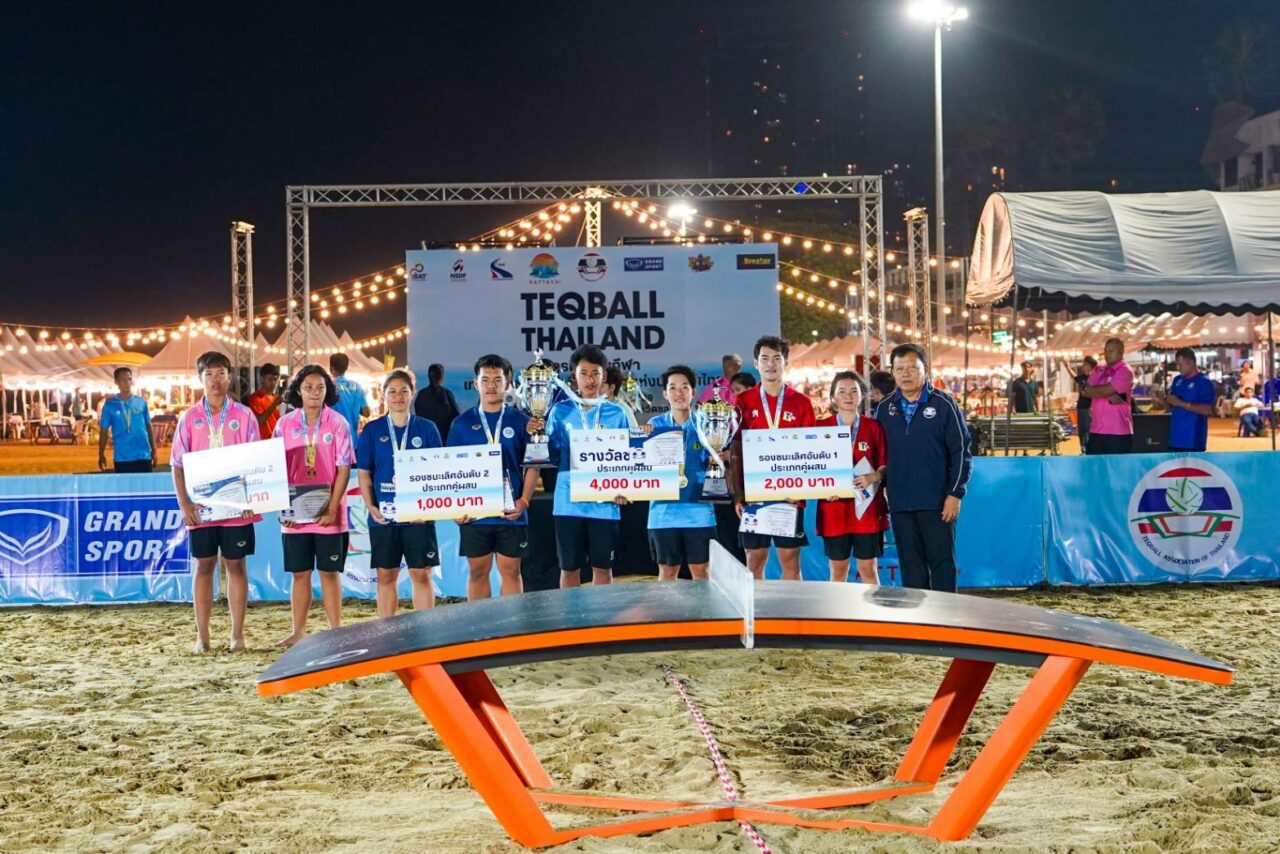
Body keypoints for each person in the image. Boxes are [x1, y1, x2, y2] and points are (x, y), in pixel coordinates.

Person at [170, 351, 261, 653]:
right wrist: (185, 504)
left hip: (236, 507)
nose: (215, 380)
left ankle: (237, 636)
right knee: (204, 565)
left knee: (236, 565)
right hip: (203, 507)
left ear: (230, 377)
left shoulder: (244, 416)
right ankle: (203, 637)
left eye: (221, 373)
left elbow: (256, 461)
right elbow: (176, 465)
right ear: (200, 378)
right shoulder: (189, 418)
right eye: (209, 374)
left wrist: (252, 499)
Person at [876, 343, 972, 593]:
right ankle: (917, 615)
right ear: (893, 372)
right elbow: (879, 456)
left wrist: (955, 494)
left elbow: (961, 451)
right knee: (911, 567)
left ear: (925, 369)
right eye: (899, 369)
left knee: (942, 563)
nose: (905, 374)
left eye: (912, 368)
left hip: (937, 502)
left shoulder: (944, 403)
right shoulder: (884, 408)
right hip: (900, 503)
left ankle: (945, 615)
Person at [274, 365, 355, 648]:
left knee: (329, 573)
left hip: (328, 513)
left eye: (320, 387)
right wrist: (282, 507)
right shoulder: (284, 424)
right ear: (298, 390)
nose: (314, 392)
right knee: (300, 574)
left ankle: (335, 631)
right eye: (308, 387)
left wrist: (332, 508)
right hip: (295, 513)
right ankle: (297, 632)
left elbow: (344, 468)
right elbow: (275, 468)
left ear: (327, 391)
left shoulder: (338, 423)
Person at [447, 355, 540, 599]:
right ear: (475, 384)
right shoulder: (461, 424)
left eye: (497, 380)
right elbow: (451, 470)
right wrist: (455, 508)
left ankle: (511, 622)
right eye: (485, 379)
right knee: (478, 572)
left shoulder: (522, 422)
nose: (491, 385)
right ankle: (480, 623)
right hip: (475, 512)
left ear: (507, 384)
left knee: (511, 572)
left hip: (511, 512)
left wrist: (524, 501)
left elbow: (533, 466)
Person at [730, 335, 817, 581]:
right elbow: (736, 448)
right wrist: (739, 493)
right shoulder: (743, 401)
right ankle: (756, 607)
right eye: (765, 358)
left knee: (790, 562)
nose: (771, 364)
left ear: (785, 362)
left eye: (777, 358)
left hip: (790, 494)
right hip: (755, 494)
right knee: (754, 561)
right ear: (756, 363)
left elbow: (811, 449)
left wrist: (802, 491)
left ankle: (789, 608)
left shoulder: (801, 402)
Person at [356, 369, 442, 617]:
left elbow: (438, 471)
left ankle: (426, 627)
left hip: (419, 515)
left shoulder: (427, 428)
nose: (398, 396)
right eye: (392, 391)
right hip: (384, 515)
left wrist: (428, 508)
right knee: (385, 574)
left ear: (412, 394)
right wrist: (371, 507)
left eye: (404, 391)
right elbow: (364, 473)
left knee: (421, 573)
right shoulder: (372, 430)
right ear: (383, 396)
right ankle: (387, 631)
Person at [545, 344, 631, 588]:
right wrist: (538, 438)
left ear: (604, 376)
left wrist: (625, 488)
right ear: (574, 376)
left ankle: (601, 614)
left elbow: (626, 458)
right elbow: (551, 455)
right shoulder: (559, 411)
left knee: (603, 568)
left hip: (605, 504)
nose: (590, 380)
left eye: (595, 373)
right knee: (569, 568)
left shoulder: (617, 414)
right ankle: (570, 614)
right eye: (584, 373)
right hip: (568, 502)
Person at [817, 372, 887, 585]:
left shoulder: (873, 427)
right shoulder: (819, 428)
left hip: (866, 508)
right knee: (838, 572)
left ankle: (873, 608)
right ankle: (838, 609)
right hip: (834, 509)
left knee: (868, 570)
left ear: (862, 395)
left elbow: (884, 465)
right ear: (833, 396)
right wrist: (823, 488)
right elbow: (811, 469)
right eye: (842, 391)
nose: (848, 396)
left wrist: (873, 476)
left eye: (854, 391)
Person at [648, 365, 716, 581]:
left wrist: (719, 459)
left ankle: (704, 606)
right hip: (663, 513)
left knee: (701, 571)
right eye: (673, 387)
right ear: (665, 393)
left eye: (684, 387)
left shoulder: (707, 425)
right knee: (667, 572)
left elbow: (718, 465)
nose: (679, 393)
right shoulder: (654, 426)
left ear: (693, 392)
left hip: (699, 512)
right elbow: (643, 468)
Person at [1154, 347, 1215, 453]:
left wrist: (1181, 403)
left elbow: (1207, 410)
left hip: (1193, 440)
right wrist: (1162, 400)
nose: (1178, 368)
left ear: (1191, 363)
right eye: (1177, 364)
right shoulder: (1177, 380)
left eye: (1180, 365)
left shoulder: (1203, 382)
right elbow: (1171, 406)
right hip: (1174, 439)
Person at [1081, 338, 1134, 455]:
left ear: (1121, 352)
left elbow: (1108, 390)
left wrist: (1095, 391)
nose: (1107, 354)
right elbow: (1084, 390)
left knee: (1117, 465)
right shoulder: (1099, 369)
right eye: (1105, 351)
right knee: (1094, 465)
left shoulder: (1125, 371)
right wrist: (1104, 393)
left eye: (1111, 351)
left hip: (1118, 431)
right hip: (1096, 430)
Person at [98, 367, 156, 473]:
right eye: (123, 380)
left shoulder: (141, 402)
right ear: (116, 382)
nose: (127, 383)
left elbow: (148, 426)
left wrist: (154, 450)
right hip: (122, 457)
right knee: (124, 484)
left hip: (143, 455)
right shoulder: (110, 405)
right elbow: (103, 431)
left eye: (129, 379)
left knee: (145, 484)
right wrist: (101, 454)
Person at [414, 363, 461, 439]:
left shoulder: (421, 394)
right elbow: (457, 416)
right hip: (444, 439)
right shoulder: (446, 393)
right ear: (442, 377)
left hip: (427, 438)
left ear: (428, 376)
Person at [330, 353, 370, 438]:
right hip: (352, 438)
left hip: (333, 438)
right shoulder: (357, 386)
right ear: (346, 368)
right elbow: (366, 413)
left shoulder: (328, 387)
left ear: (331, 368)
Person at [247, 363, 283, 440]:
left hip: (276, 439)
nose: (273, 383)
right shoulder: (255, 397)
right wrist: (275, 404)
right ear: (262, 379)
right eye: (270, 379)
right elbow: (258, 422)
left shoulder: (275, 397)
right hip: (262, 441)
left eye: (275, 379)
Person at [1074, 356, 1098, 452]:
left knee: (1088, 428)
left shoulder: (1094, 378)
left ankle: (1089, 449)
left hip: (1089, 408)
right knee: (1082, 429)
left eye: (1084, 364)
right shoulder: (1082, 377)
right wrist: (1067, 367)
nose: (1082, 366)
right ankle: (1083, 448)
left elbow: (1090, 393)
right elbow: (1075, 378)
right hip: (1081, 407)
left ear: (1089, 366)